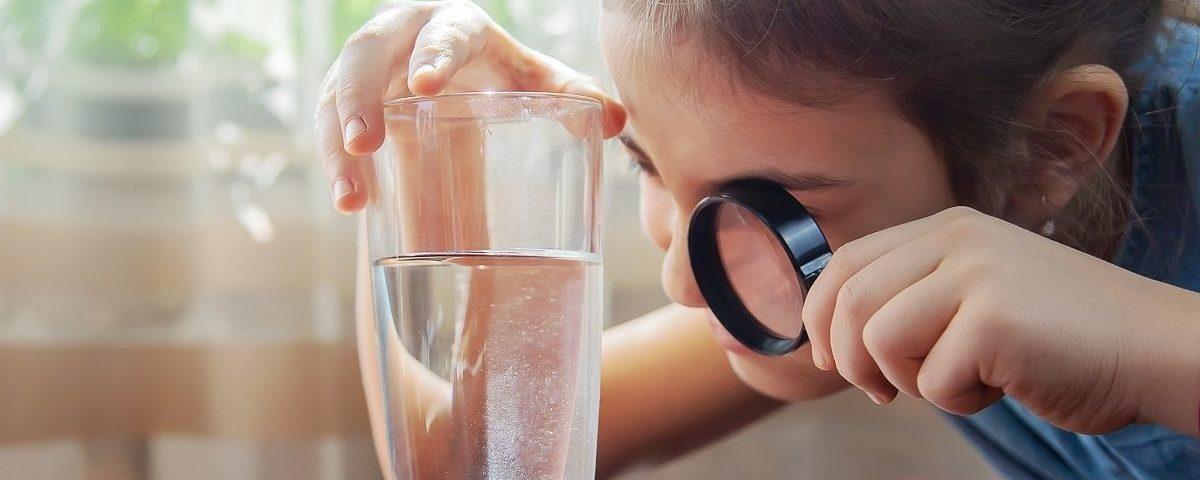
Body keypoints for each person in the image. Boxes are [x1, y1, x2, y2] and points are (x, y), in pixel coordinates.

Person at [316, 1, 1200, 478]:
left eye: (762, 200)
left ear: (1055, 145)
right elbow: (463, 448)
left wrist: (1150, 351)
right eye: (644, 165)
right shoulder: (806, 263)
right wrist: (427, 153)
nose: (681, 282)